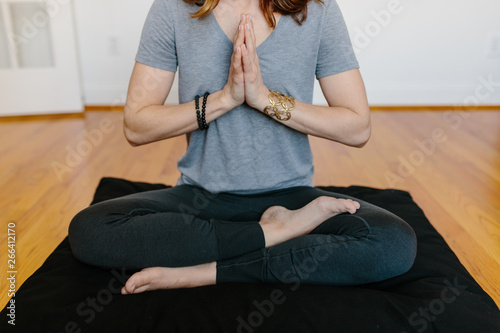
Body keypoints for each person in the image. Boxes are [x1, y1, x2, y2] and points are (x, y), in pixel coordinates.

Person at [68, 0, 417, 295]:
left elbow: (357, 127)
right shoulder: (173, 8)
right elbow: (136, 124)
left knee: (393, 244)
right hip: (200, 197)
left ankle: (200, 272)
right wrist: (225, 99)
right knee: (91, 230)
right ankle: (274, 234)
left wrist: (264, 99)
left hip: (291, 197)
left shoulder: (316, 10)